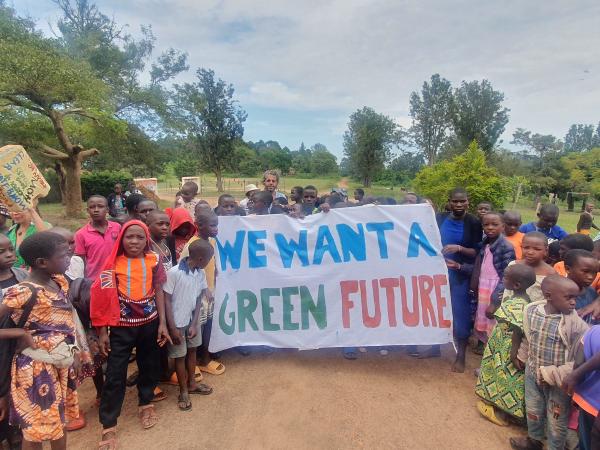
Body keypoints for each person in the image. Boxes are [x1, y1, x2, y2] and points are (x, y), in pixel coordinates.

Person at [90, 221, 171, 449]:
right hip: (121, 326)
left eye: (139, 237)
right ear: (121, 240)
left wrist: (162, 323)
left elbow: (159, 291)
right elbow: (103, 297)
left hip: (150, 323)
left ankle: (145, 403)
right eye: (129, 237)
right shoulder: (112, 264)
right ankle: (108, 424)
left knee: (149, 365)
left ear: (147, 240)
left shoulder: (154, 261)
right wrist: (103, 330)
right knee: (115, 373)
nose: (134, 242)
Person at [0, 232, 77, 449]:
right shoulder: (23, 291)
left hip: (59, 363)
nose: (69, 256)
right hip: (35, 370)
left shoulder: (58, 282)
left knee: (59, 421)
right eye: (64, 254)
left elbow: (66, 322)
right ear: (42, 262)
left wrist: (76, 353)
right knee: (36, 430)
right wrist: (19, 334)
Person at [509, 275, 589, 450]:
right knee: (533, 410)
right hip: (533, 372)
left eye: (576, 298)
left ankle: (555, 447)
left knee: (556, 420)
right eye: (569, 298)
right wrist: (522, 357)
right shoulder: (531, 312)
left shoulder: (576, 325)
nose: (574, 303)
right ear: (548, 295)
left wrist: (557, 375)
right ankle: (534, 440)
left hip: (559, 381)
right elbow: (528, 337)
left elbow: (580, 357)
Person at [475, 264, 537, 426]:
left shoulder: (517, 304)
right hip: (502, 341)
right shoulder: (523, 301)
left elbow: (517, 329)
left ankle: (502, 409)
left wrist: (513, 352)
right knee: (498, 371)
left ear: (516, 285)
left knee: (504, 374)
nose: (503, 279)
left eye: (505, 277)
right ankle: (497, 404)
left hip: (506, 345)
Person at [434, 188, 482, 372]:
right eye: (455, 201)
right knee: (436, 309)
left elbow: (476, 252)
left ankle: (461, 354)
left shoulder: (474, 223)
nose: (459, 204)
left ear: (468, 202)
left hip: (460, 275)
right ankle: (434, 347)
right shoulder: (439, 218)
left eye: (463, 201)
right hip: (437, 273)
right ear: (449, 202)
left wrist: (459, 249)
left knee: (460, 311)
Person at [164, 239, 214, 411]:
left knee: (192, 350)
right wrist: (172, 328)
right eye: (208, 259)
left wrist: (194, 324)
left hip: (192, 321)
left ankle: (192, 383)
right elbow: (167, 300)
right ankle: (183, 390)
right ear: (201, 258)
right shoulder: (174, 273)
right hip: (177, 323)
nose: (208, 263)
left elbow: (199, 298)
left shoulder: (199, 274)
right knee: (180, 356)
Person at [179, 210, 225, 375]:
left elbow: (212, 265)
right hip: (197, 297)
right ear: (199, 226)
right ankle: (194, 362)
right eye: (212, 225)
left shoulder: (212, 241)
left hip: (210, 294)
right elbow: (184, 271)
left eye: (216, 225)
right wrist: (202, 290)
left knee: (208, 328)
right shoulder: (192, 246)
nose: (216, 228)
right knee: (196, 328)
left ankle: (204, 360)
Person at [470, 212, 515, 344]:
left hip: (495, 290)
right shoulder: (484, 244)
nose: (490, 227)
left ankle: (492, 358)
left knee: (493, 324)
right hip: (483, 288)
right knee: (483, 323)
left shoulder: (506, 247)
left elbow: (507, 276)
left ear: (503, 226)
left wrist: (495, 301)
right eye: (486, 224)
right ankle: (485, 353)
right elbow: (480, 267)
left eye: (494, 224)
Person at [0, 234, 27, 450]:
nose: (10, 255)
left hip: (21, 352)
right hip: (2, 353)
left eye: (10, 249)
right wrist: (18, 333)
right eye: (2, 252)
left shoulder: (22, 276)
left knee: (19, 403)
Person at [563, 325, 600, 450]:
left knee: (586, 439)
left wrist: (575, 379)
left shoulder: (593, 332)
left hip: (588, 401)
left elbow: (578, 363)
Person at [74, 195, 121, 281]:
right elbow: (81, 261)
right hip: (94, 279)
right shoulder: (80, 234)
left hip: (117, 275)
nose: (96, 210)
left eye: (100, 206)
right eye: (92, 207)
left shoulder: (117, 227)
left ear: (107, 209)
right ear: (88, 210)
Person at [503, 232, 556, 304]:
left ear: (546, 251)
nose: (530, 252)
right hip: (509, 308)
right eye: (526, 247)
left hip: (533, 312)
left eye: (537, 249)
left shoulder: (550, 273)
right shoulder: (513, 265)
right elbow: (506, 289)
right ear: (521, 247)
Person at [564, 249, 599, 324]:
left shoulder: (591, 291)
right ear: (568, 269)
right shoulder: (559, 293)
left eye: (595, 272)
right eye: (585, 271)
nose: (591, 277)